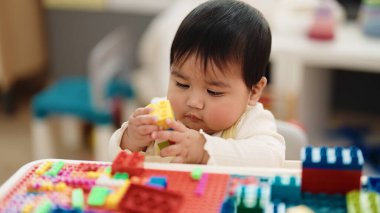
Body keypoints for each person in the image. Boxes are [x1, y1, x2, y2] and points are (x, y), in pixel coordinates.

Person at [108, 0, 285, 167]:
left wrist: (204, 150)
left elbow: (272, 157)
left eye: (213, 91)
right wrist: (130, 140)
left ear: (253, 91)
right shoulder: (163, 116)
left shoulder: (250, 122)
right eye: (182, 84)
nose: (193, 101)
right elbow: (115, 160)